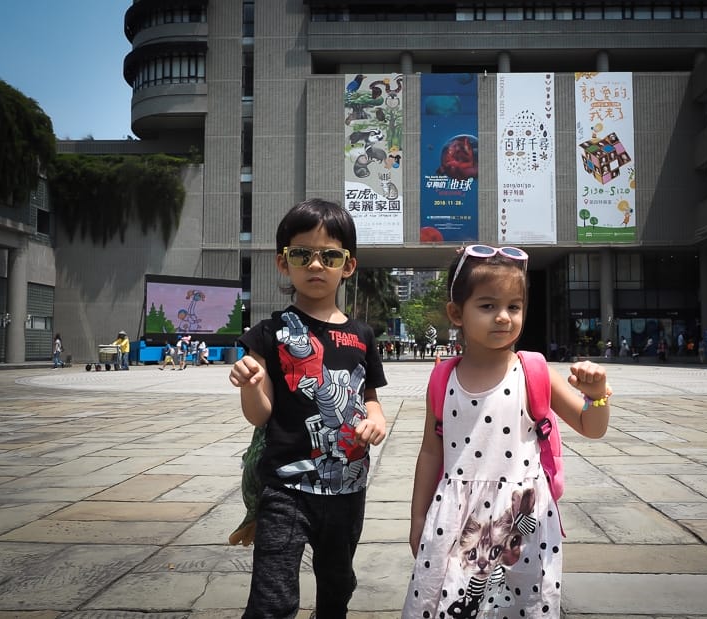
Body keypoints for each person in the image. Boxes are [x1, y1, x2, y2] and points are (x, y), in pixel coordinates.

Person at [403, 245, 611, 619]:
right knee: (447, 604)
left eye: (513, 307)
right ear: (456, 313)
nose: (503, 317)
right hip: (457, 518)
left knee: (521, 605)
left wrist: (596, 398)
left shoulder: (534, 371)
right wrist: (418, 517)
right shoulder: (442, 378)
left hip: (522, 520)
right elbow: (430, 452)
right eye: (487, 306)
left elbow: (590, 427)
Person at [228, 198, 388, 618]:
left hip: (347, 490)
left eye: (330, 255)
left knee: (337, 585)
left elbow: (371, 398)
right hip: (285, 490)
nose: (316, 265)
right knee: (272, 598)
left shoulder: (362, 336)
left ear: (347, 266)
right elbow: (260, 415)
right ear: (284, 263)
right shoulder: (266, 334)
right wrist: (251, 385)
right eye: (302, 254)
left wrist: (376, 419)